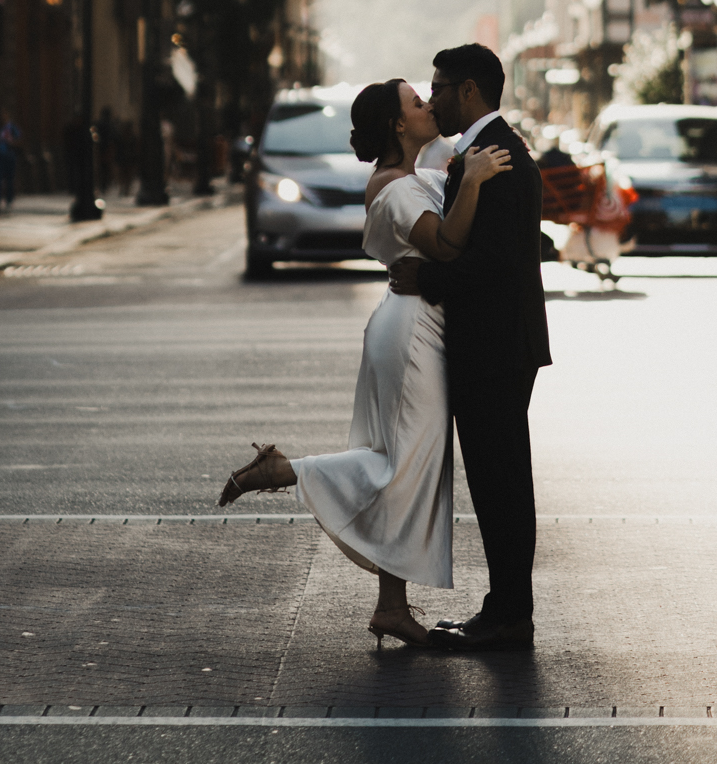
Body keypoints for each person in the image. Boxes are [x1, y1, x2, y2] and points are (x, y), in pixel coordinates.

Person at [217, 77, 511, 648]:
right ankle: (284, 471)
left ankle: (391, 607)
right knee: (406, 467)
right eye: (417, 102)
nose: (430, 105)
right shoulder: (398, 189)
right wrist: (474, 180)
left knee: (402, 463)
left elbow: (449, 179)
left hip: (407, 324)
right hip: (412, 334)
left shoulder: (412, 176)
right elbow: (447, 245)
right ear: (400, 124)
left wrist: (469, 163)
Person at [389, 42, 551, 653]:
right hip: (500, 342)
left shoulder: (497, 157)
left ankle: (509, 615)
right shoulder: (484, 152)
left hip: (495, 344)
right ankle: (507, 609)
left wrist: (424, 278)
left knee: (501, 483)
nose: (432, 99)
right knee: (500, 481)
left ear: (470, 91)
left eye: (439, 88)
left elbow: (496, 264)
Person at [0, 109, 23, 211]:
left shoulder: (12, 128)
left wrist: (11, 143)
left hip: (10, 156)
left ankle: (9, 200)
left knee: (9, 180)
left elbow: (19, 140)